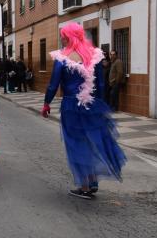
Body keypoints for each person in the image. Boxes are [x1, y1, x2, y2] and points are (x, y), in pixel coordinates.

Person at [41, 22, 126, 200]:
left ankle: (85, 186)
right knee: (90, 141)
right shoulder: (93, 56)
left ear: (70, 36)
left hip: (71, 106)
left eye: (63, 35)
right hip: (91, 105)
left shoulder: (63, 58)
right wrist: (100, 105)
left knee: (76, 143)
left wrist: (46, 103)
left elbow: (53, 84)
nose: (62, 38)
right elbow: (100, 83)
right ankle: (92, 181)